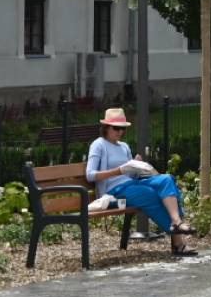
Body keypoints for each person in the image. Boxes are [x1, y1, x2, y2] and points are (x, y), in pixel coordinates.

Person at [84, 108, 197, 255]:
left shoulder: (124, 146)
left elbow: (130, 174)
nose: (120, 132)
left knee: (166, 180)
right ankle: (178, 242)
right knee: (150, 194)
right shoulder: (98, 145)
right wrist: (118, 171)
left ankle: (177, 222)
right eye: (116, 128)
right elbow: (90, 175)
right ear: (106, 127)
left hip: (132, 184)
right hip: (114, 192)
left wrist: (136, 165)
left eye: (123, 128)